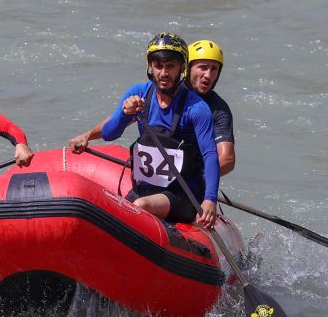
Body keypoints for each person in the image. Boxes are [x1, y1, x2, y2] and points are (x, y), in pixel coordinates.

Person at [71, 33, 219, 227]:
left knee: (140, 205)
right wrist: (126, 113)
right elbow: (110, 134)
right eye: (158, 66)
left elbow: (210, 155)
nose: (164, 73)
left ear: (182, 67)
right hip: (145, 188)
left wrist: (210, 199)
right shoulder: (138, 93)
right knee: (110, 210)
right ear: (150, 66)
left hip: (182, 193)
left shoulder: (197, 108)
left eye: (170, 66)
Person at [184, 39, 236, 176]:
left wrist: (196, 179)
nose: (208, 75)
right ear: (187, 68)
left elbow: (227, 159)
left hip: (189, 177)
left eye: (214, 69)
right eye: (203, 67)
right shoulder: (168, 92)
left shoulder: (219, 109)